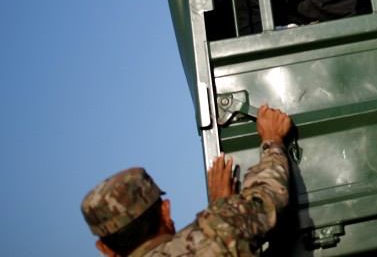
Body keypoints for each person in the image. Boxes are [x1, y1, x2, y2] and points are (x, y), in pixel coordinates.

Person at [81, 104, 294, 256]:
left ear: (105, 249)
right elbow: (265, 199)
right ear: (165, 210)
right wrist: (272, 139)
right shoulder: (217, 232)